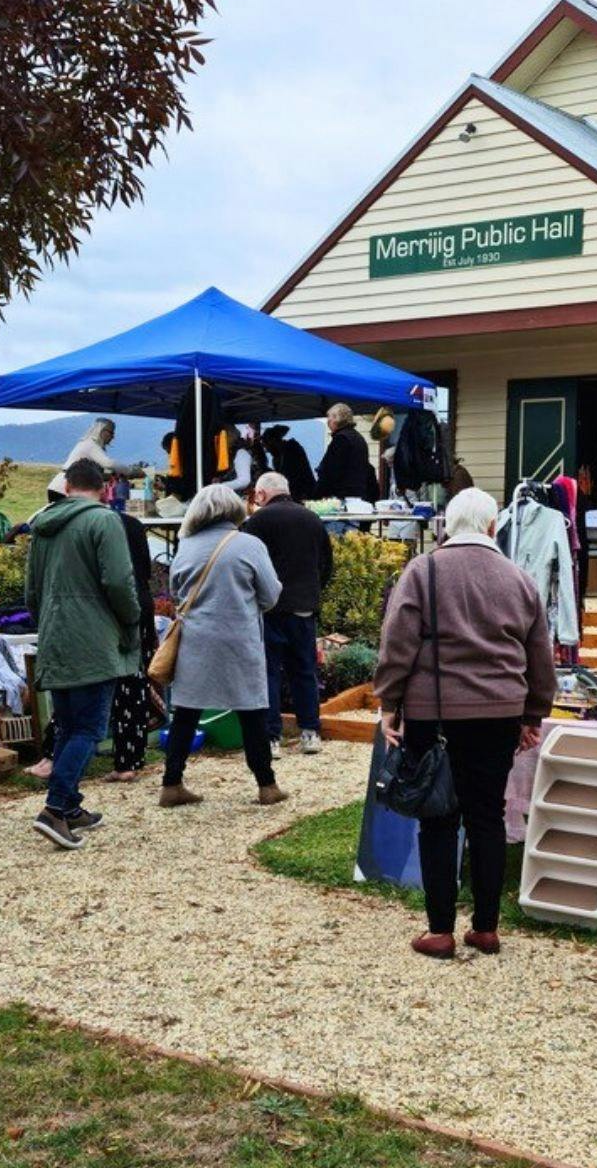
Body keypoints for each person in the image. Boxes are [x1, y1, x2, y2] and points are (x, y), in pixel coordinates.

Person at [374, 488, 557, 960]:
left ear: (447, 526)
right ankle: (486, 928)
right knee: (487, 818)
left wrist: (389, 703)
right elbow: (540, 656)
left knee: (438, 819)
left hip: (432, 715)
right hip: (499, 713)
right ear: (494, 527)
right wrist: (533, 714)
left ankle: (439, 931)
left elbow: (397, 644)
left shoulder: (423, 571)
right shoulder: (518, 579)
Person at [25, 457, 141, 849]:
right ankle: (56, 808)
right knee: (90, 728)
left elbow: (31, 591)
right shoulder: (104, 521)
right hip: (94, 635)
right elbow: (119, 582)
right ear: (105, 488)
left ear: (67, 486)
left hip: (56, 634)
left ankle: (71, 804)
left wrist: (48, 622)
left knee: (68, 724)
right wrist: (132, 621)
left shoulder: (43, 526)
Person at [158, 484, 283, 807]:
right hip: (238, 640)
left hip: (194, 641)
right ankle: (266, 785)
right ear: (234, 510)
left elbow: (175, 593)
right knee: (252, 711)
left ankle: (171, 783)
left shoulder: (185, 546)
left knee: (185, 713)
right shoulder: (249, 544)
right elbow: (270, 595)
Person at [243, 472, 332, 756]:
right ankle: (310, 732)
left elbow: (245, 565)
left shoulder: (255, 523)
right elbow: (326, 564)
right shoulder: (312, 519)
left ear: (261, 495)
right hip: (303, 606)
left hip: (268, 608)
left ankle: (272, 738)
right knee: (304, 671)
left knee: (268, 672)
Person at [315, 402, 378, 502]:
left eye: (329, 417)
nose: (328, 421)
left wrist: (318, 494)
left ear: (337, 418)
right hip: (359, 494)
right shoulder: (358, 437)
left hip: (343, 496)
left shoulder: (341, 439)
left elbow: (332, 471)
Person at [64, 417, 144, 480]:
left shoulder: (87, 443)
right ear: (102, 431)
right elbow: (109, 463)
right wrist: (131, 471)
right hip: (67, 483)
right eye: (111, 433)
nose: (113, 437)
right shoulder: (91, 444)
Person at [263, 424, 317, 501]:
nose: (267, 450)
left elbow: (290, 477)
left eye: (267, 446)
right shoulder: (277, 458)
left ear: (273, 441)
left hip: (304, 494)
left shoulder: (292, 448)